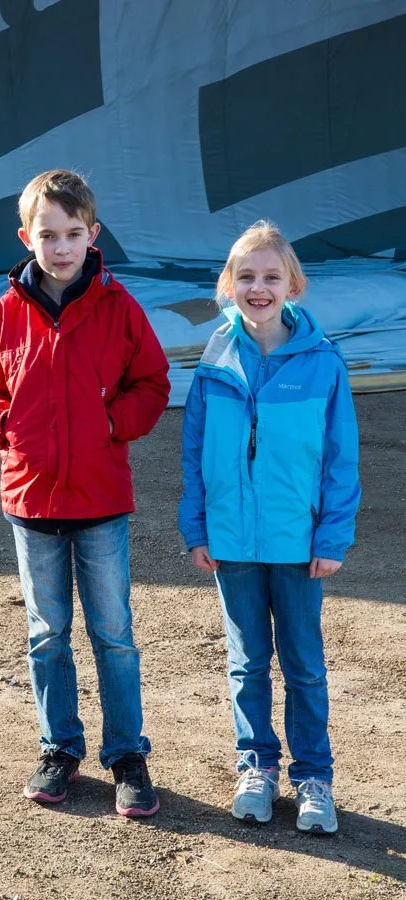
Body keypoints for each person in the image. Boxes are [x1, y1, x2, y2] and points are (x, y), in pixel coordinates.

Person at [0, 169, 170, 817]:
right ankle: (60, 749)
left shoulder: (119, 307)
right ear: (27, 238)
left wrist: (114, 424)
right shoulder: (6, 313)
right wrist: (6, 426)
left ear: (93, 234)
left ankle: (127, 756)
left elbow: (153, 383)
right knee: (47, 633)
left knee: (113, 632)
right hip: (31, 502)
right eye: (47, 235)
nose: (60, 247)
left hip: (101, 502)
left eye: (72, 234)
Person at [179, 220, 360, 834]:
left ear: (293, 286)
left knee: (304, 663)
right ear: (229, 286)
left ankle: (315, 778)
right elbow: (195, 452)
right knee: (247, 663)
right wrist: (197, 527)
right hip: (232, 542)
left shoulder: (323, 365)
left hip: (298, 542)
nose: (259, 287)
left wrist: (332, 536)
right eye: (246, 276)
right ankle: (257, 766)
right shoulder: (211, 365)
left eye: (271, 277)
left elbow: (341, 458)